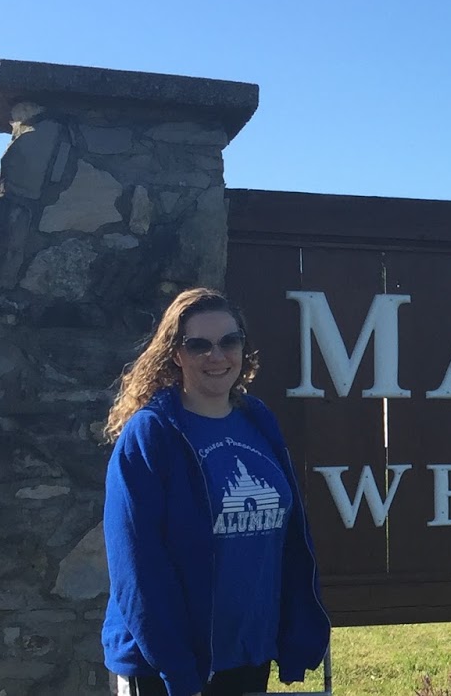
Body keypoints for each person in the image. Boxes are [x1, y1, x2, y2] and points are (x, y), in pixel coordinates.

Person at [102, 287, 331, 696]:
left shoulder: (257, 419)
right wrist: (178, 669)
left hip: (246, 652)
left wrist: (296, 632)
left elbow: (290, 534)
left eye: (229, 341)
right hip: (170, 666)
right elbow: (136, 565)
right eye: (198, 345)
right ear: (175, 354)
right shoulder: (151, 434)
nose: (217, 355)